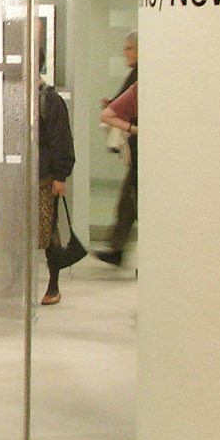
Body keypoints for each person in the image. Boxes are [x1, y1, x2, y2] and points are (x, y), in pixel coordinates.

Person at [95, 32, 138, 266]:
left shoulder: (140, 75)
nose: (125, 53)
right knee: (128, 201)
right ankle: (117, 248)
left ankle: (118, 248)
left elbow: (125, 108)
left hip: (142, 151)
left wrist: (131, 128)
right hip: (139, 151)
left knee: (130, 200)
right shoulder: (137, 74)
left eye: (128, 48)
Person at [37, 65, 76, 305]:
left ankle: (53, 284)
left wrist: (61, 176)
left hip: (44, 178)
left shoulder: (50, 100)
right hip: (29, 175)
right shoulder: (34, 98)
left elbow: (61, 139)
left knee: (49, 232)